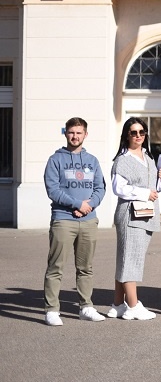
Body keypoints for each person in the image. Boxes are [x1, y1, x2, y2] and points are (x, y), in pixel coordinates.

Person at [43, 117, 106, 326]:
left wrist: (89, 206)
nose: (75, 136)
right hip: (63, 219)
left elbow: (100, 188)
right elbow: (53, 190)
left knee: (85, 267)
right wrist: (77, 204)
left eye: (79, 132)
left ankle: (85, 307)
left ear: (85, 135)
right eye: (71, 132)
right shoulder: (55, 160)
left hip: (89, 220)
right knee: (56, 267)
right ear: (65, 133)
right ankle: (52, 309)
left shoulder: (93, 160)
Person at [109, 117, 161, 321]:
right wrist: (144, 193)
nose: (138, 136)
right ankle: (133, 306)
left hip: (145, 215)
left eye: (142, 132)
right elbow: (118, 188)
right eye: (134, 132)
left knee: (126, 258)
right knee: (130, 259)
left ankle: (117, 304)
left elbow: (156, 189)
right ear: (127, 135)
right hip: (130, 215)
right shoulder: (122, 160)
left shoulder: (148, 157)